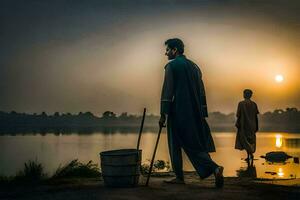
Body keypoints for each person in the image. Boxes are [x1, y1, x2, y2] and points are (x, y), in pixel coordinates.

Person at [159, 38, 224, 188]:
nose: (166, 53)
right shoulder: (195, 67)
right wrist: (203, 112)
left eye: (168, 50)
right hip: (195, 112)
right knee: (194, 143)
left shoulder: (171, 66)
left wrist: (163, 114)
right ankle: (214, 168)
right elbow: (202, 92)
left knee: (174, 143)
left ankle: (180, 176)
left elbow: (167, 92)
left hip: (179, 111)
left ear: (175, 50)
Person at [235, 89, 259, 161]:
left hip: (244, 125)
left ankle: (250, 155)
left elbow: (238, 115)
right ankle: (249, 155)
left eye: (244, 93)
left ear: (246, 95)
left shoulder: (241, 104)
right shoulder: (254, 104)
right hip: (252, 125)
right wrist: (257, 126)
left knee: (245, 140)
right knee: (250, 141)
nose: (244, 95)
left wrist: (237, 123)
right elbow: (256, 116)